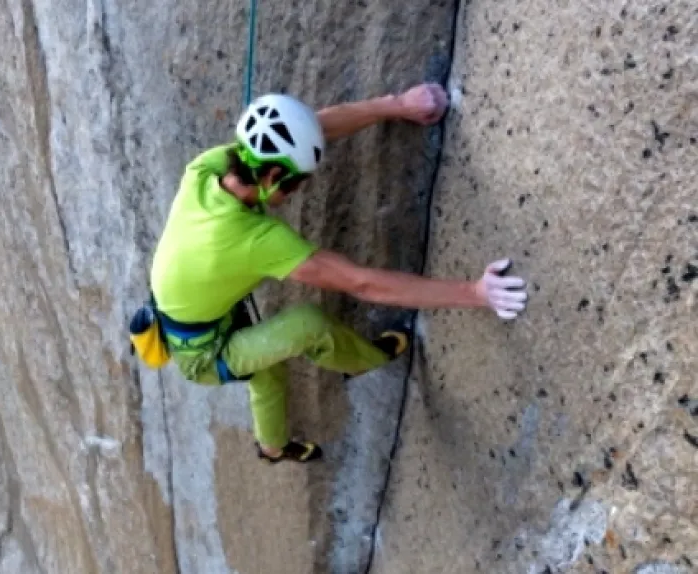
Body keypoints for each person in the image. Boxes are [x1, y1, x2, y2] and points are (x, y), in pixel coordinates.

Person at [145, 83, 528, 463]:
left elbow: (314, 129)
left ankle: (272, 448)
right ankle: (363, 361)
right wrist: (475, 293)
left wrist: (398, 105)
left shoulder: (210, 168)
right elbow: (362, 282)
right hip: (203, 354)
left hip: (197, 313)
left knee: (266, 369)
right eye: (298, 182)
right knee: (306, 325)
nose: (299, 190)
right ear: (273, 175)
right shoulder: (256, 240)